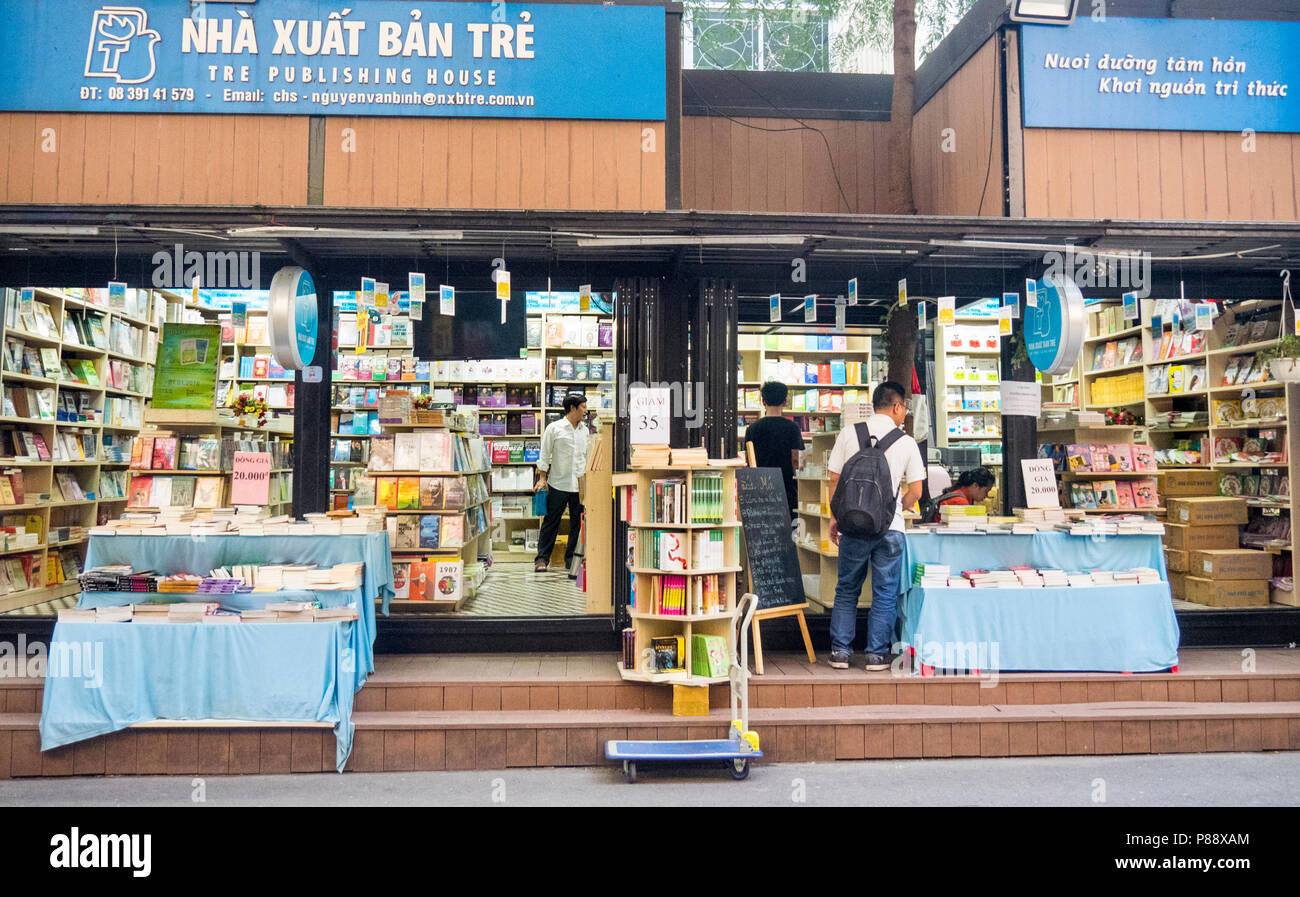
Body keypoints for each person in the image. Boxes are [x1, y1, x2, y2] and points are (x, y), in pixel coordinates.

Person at [827, 380, 925, 671]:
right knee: (884, 591)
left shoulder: (849, 433)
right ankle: (875, 655)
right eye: (904, 407)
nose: (904, 413)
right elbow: (917, 491)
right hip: (890, 529)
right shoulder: (906, 442)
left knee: (846, 588)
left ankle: (840, 652)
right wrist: (898, 507)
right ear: (896, 406)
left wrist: (837, 517)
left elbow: (834, 479)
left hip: (853, 525)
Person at [534, 394, 589, 575]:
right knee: (551, 522)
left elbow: (586, 457)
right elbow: (544, 455)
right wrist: (542, 479)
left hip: (579, 485)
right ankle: (542, 559)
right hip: (558, 483)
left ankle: (571, 561)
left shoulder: (585, 430)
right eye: (583, 407)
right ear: (572, 408)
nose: (586, 411)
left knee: (577, 524)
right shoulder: (554, 428)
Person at [742, 381, 804, 518]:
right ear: (785, 401)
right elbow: (796, 460)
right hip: (787, 489)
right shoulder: (792, 428)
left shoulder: (752, 429)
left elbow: (748, 460)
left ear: (763, 401)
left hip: (759, 490)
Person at [927, 466, 996, 522]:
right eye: (986, 491)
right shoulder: (960, 501)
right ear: (975, 486)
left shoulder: (960, 493)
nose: (986, 496)